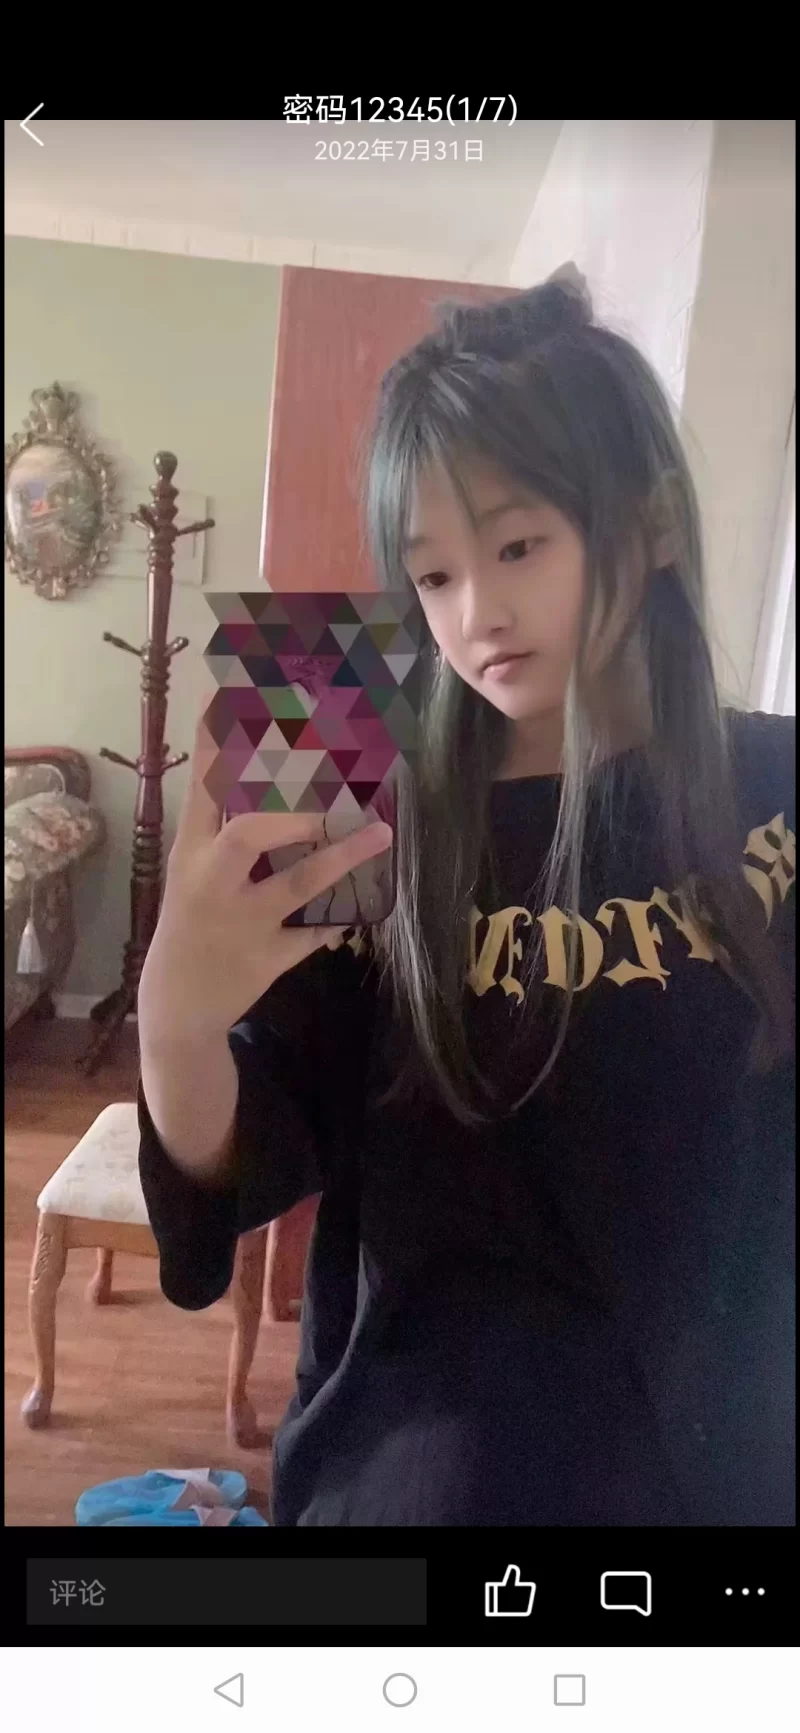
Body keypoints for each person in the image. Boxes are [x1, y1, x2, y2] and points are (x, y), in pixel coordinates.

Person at [138, 273, 795, 1527]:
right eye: (431, 576)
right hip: (421, 1456)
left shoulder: (774, 792)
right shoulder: (356, 796)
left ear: (653, 522)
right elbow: (255, 1152)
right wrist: (175, 1020)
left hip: (717, 1461)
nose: (474, 614)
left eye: (517, 547)